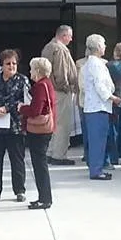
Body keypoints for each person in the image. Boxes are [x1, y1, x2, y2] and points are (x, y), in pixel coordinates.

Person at [0, 49, 30, 202]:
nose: (11, 66)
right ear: (1, 65)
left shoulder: (22, 80)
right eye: (8, 64)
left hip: (15, 127)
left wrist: (7, 108)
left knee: (17, 160)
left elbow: (26, 100)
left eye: (14, 63)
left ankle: (19, 190)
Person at [81, 34, 121, 180]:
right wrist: (113, 98)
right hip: (97, 107)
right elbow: (100, 86)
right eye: (103, 44)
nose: (105, 46)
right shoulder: (96, 64)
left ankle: (96, 168)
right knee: (98, 140)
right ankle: (96, 170)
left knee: (98, 139)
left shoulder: (92, 63)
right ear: (98, 47)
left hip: (96, 107)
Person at [18, 56, 57, 210]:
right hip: (46, 128)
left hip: (40, 131)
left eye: (32, 68)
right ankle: (43, 197)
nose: (30, 71)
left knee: (40, 165)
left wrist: (21, 108)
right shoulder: (47, 84)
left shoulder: (41, 86)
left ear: (38, 70)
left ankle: (45, 199)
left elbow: (35, 110)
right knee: (39, 164)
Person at [40, 25, 78, 166]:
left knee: (55, 123)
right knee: (63, 124)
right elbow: (61, 72)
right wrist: (66, 87)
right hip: (61, 92)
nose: (71, 39)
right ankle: (59, 155)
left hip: (51, 90)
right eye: (70, 36)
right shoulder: (60, 49)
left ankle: (51, 152)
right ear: (63, 35)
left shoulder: (48, 47)